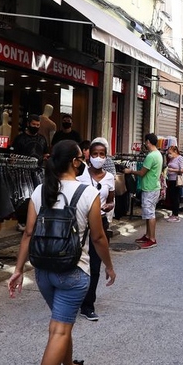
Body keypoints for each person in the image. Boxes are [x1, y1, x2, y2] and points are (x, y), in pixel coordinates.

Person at [8, 140, 116, 365]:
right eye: (84, 157)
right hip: (73, 272)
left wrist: (19, 270)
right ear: (76, 162)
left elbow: (28, 234)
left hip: (43, 272)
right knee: (59, 329)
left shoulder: (40, 191)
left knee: (61, 324)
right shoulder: (87, 193)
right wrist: (110, 267)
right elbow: (99, 237)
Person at [76, 137, 116, 321]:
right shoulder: (80, 175)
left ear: (106, 157)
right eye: (95, 154)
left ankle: (88, 304)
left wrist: (109, 205)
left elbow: (111, 199)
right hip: (80, 223)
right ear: (88, 156)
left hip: (100, 223)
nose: (98, 157)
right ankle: (73, 297)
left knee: (95, 265)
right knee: (76, 261)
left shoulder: (109, 178)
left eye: (102, 154)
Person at [123, 133, 162, 249]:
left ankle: (152, 239)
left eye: (145, 141)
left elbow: (142, 173)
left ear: (148, 142)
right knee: (147, 213)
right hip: (153, 187)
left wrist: (130, 171)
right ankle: (147, 235)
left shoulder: (151, 156)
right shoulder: (158, 154)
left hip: (150, 188)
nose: (145, 144)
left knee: (150, 213)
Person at [12, 114, 50, 231]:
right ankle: (22, 221)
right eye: (34, 124)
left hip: (38, 172)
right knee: (24, 197)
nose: (36, 127)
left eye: (38, 125)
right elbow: (13, 156)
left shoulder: (42, 139)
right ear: (28, 124)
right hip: (22, 172)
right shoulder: (20, 139)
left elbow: (45, 154)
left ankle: (36, 219)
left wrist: (45, 159)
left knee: (37, 196)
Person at [164, 145, 183, 223]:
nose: (169, 154)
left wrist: (172, 170)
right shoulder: (172, 159)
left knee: (175, 197)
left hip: (176, 180)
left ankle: (176, 215)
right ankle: (173, 213)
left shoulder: (180, 158)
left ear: (175, 151)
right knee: (172, 197)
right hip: (170, 180)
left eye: (170, 152)